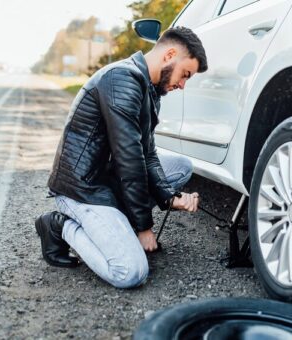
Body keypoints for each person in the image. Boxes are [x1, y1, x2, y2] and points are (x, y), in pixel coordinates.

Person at [35, 26, 207, 289]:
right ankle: (60, 225)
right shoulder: (122, 80)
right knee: (130, 272)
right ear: (170, 54)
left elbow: (147, 154)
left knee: (181, 167)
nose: (182, 85)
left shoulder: (150, 88)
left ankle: (117, 223)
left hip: (108, 178)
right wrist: (144, 227)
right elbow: (130, 161)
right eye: (185, 74)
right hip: (83, 188)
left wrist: (170, 197)